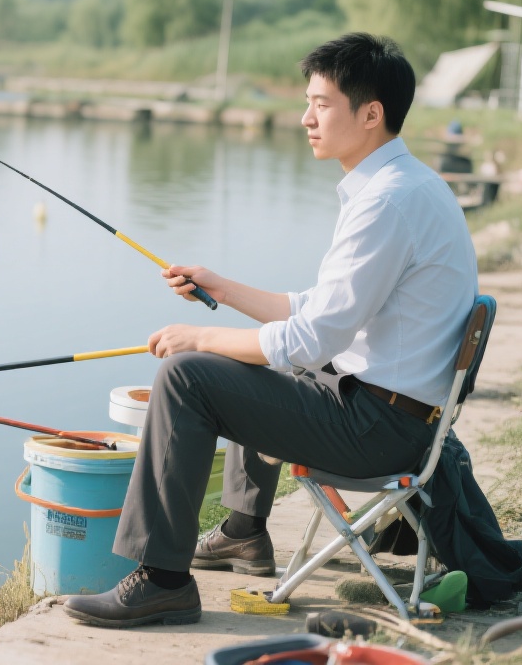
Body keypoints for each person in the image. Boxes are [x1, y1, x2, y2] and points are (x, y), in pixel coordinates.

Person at [63, 32, 479, 628]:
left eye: (321, 104)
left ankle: (161, 580)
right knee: (262, 362)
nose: (306, 118)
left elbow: (311, 339)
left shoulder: (385, 203)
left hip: (378, 432)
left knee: (188, 377)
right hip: (403, 416)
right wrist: (222, 289)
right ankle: (242, 532)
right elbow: (319, 312)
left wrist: (197, 337)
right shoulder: (409, 186)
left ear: (371, 114)